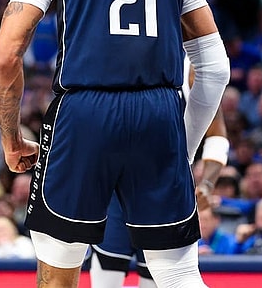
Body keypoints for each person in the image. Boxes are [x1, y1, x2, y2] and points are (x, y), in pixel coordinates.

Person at [0, 0, 230, 288]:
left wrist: (10, 139)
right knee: (178, 273)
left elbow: (6, 58)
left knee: (59, 268)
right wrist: (184, 143)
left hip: (85, 111)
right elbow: (215, 67)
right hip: (159, 110)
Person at [90, 56, 231, 288]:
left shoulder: (192, 68)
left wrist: (207, 183)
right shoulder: (112, 55)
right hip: (114, 189)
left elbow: (217, 135)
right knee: (107, 274)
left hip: (164, 192)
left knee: (159, 278)